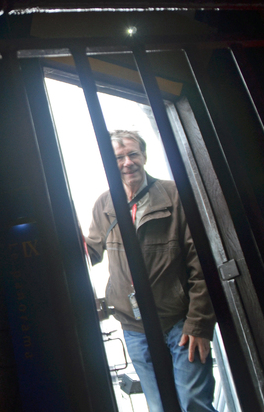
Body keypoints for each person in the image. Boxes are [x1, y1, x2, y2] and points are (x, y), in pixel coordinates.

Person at [86, 130, 217, 412]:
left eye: (133, 154)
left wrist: (200, 323)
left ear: (144, 156)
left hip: (181, 321)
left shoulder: (174, 193)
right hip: (135, 327)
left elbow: (201, 262)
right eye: (118, 157)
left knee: (194, 402)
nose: (127, 162)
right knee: (160, 406)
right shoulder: (104, 204)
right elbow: (91, 253)